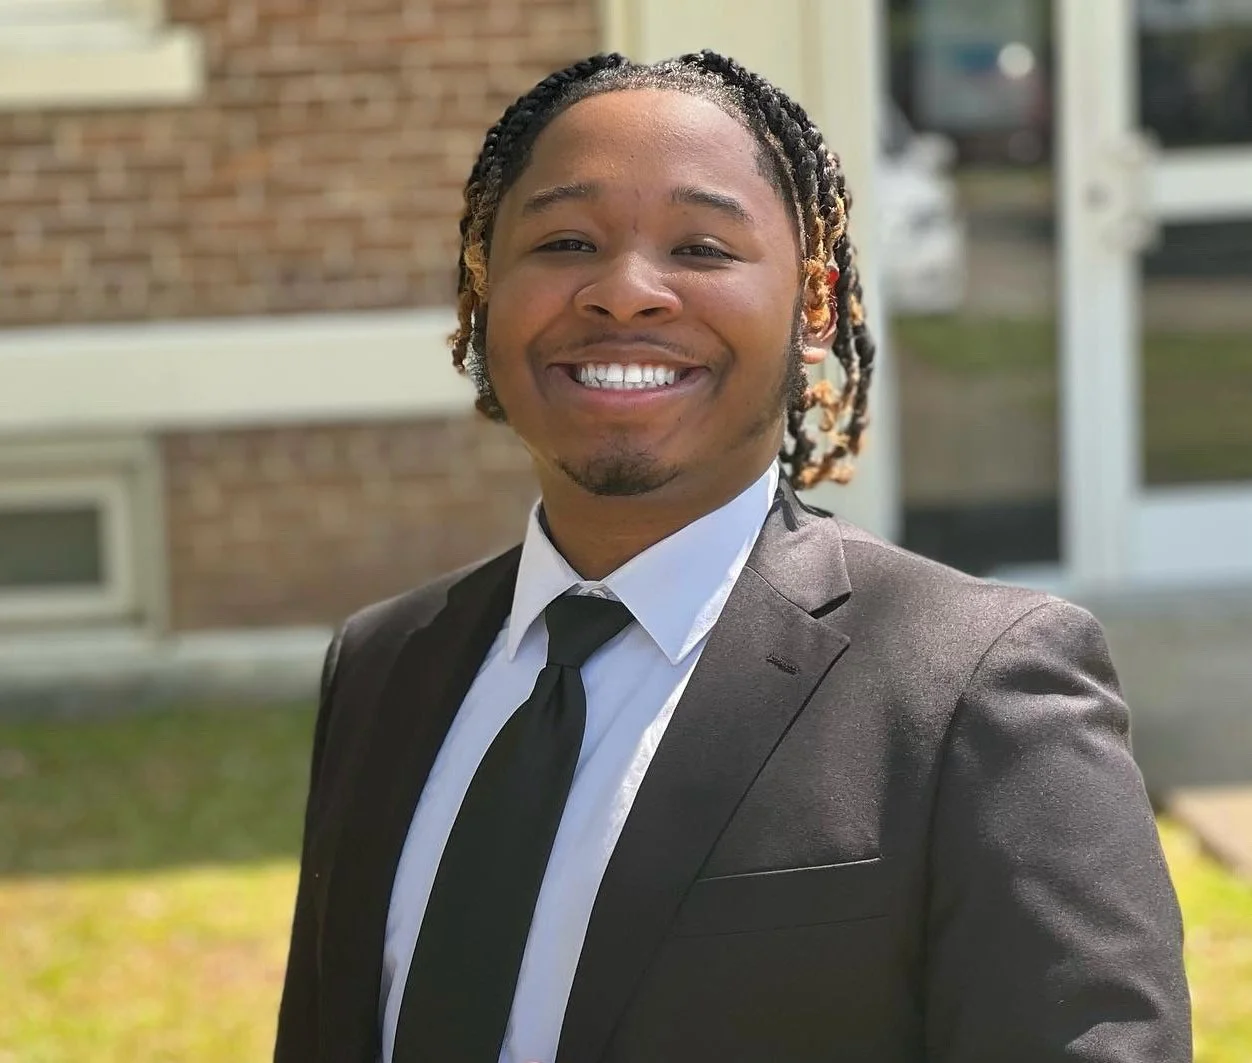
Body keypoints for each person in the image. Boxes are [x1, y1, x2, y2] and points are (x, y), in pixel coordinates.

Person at [274, 51, 1191, 1063]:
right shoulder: (385, 665)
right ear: (484, 285)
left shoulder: (976, 692)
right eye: (566, 241)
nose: (625, 292)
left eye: (702, 247)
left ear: (812, 307)